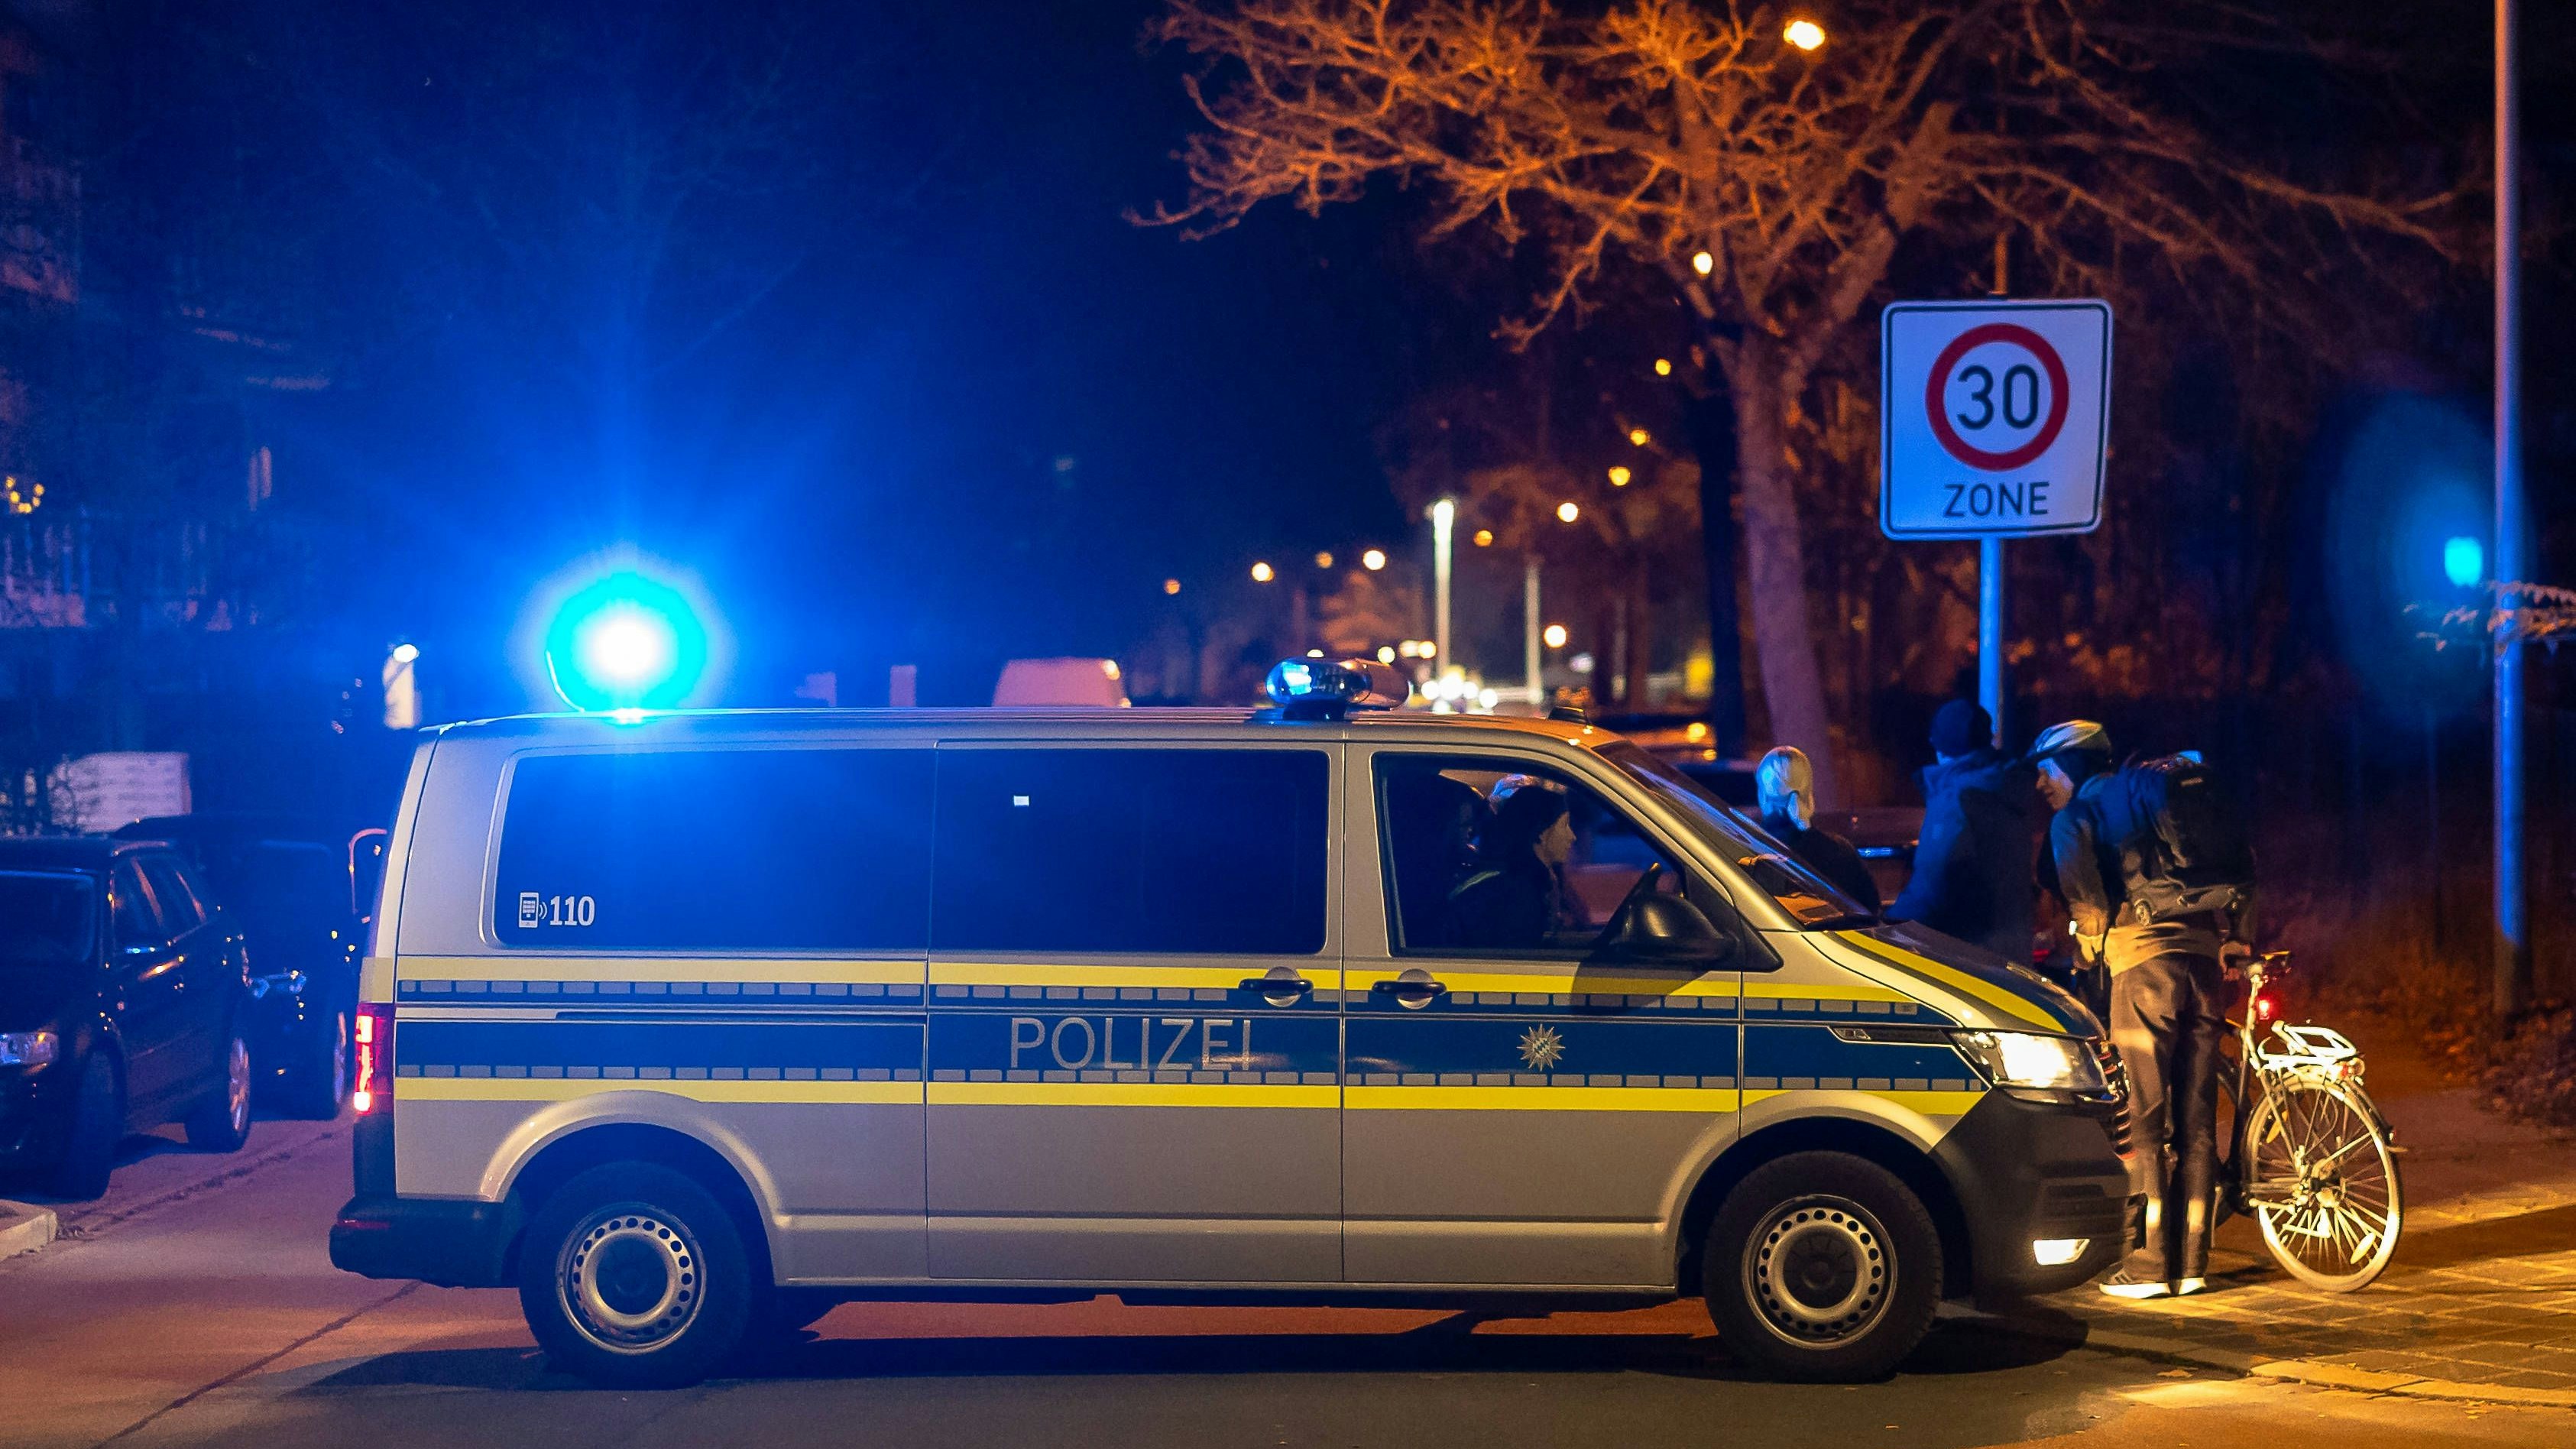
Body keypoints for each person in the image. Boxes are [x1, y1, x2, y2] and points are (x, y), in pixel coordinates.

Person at [2031, 719, 2244, 1302]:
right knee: (2197, 1123)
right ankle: (2192, 1263)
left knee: (2145, 1122)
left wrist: (2085, 953)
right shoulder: (2152, 800)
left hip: (2143, 971)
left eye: (2045, 772)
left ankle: (2148, 1266)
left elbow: (2089, 910)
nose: (2041, 785)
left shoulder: (2075, 817)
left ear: (2069, 766)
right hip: (2203, 964)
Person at [1887, 699, 2037, 959]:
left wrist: (1889, 927)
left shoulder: (1956, 798)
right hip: (2013, 950)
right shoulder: (2008, 788)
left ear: (1940, 745)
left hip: (1965, 956)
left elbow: (1931, 886)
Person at [1448, 777, 1574, 949]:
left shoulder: (1527, 882)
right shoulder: (1515, 896)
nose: (1571, 836)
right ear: (1541, 832)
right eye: (1564, 826)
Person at [1753, 747, 1881, 913]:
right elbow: (1871, 910)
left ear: (1763, 795)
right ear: (1808, 792)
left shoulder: (1752, 853)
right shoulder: (1841, 850)